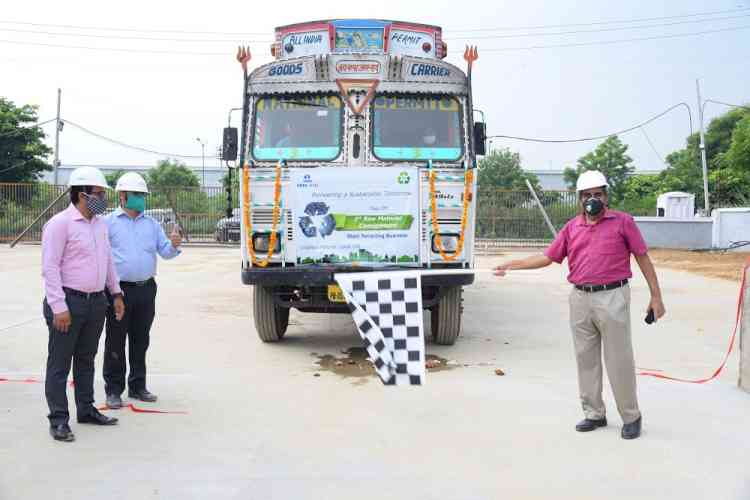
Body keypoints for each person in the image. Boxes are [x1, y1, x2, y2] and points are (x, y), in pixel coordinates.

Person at [494, 170, 665, 440]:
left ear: (606, 196)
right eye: (587, 195)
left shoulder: (623, 222)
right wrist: (510, 265)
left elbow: (643, 257)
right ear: (579, 199)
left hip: (613, 296)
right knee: (586, 359)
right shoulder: (572, 227)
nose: (592, 199)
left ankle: (631, 416)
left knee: (618, 359)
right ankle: (594, 413)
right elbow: (547, 257)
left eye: (598, 194)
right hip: (580, 298)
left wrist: (656, 296)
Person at [42, 166, 124, 442]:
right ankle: (58, 420)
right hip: (68, 303)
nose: (103, 199)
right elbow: (50, 268)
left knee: (86, 360)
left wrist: (116, 293)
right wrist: (58, 306)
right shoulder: (59, 224)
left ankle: (86, 409)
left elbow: (108, 261)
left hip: (95, 303)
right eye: (99, 194)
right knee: (60, 363)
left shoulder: (99, 225)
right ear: (81, 195)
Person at [103, 172, 182, 409]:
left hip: (146, 289)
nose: (140, 198)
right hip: (119, 291)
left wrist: (174, 245)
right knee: (115, 341)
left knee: (141, 339)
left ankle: (138, 386)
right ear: (122, 196)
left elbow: (165, 253)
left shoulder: (152, 224)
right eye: (136, 194)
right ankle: (114, 390)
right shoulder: (108, 223)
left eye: (143, 195)